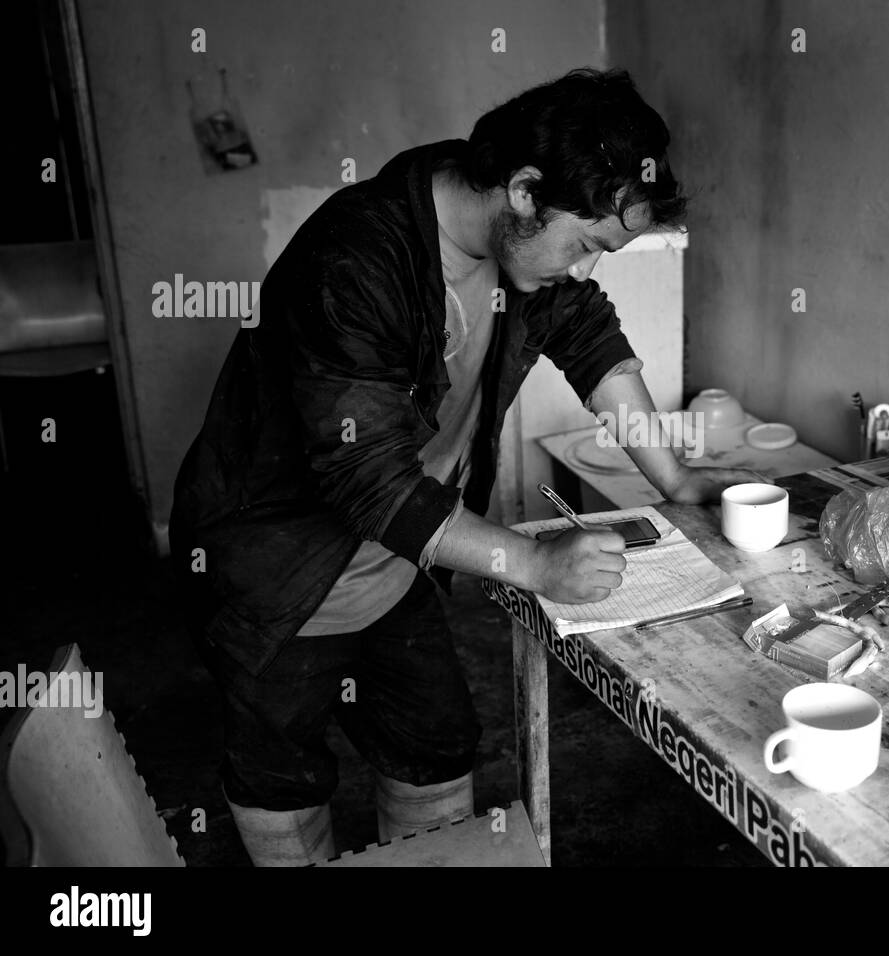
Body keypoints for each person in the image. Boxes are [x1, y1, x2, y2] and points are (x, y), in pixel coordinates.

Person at [169, 67, 769, 866]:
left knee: (437, 745)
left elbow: (589, 340)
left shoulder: (517, 245)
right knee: (285, 776)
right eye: (587, 245)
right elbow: (369, 480)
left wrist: (679, 482)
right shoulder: (359, 259)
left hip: (401, 557)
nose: (585, 270)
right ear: (524, 190)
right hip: (277, 576)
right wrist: (531, 561)